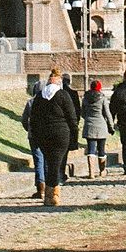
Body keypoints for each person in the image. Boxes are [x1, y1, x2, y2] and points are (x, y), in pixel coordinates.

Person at [29, 67, 78, 205]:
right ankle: (53, 195)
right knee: (56, 164)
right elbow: (71, 117)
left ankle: (49, 195)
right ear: (59, 82)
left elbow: (33, 118)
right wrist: (74, 136)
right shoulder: (63, 95)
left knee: (50, 163)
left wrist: (36, 136)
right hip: (60, 133)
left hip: (43, 134)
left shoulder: (39, 96)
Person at [20, 80, 48, 200]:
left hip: (34, 135)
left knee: (38, 160)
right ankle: (48, 186)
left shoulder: (31, 102)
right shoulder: (48, 102)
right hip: (46, 134)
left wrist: (29, 129)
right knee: (46, 160)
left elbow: (24, 119)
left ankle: (40, 187)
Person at [81, 79, 114, 178]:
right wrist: (111, 126)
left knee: (90, 149)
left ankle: (91, 172)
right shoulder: (102, 98)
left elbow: (82, 112)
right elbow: (107, 113)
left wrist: (87, 118)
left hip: (89, 125)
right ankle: (102, 171)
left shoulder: (85, 98)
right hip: (101, 125)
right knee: (101, 150)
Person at [61, 74, 82, 157]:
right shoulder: (73, 93)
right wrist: (77, 119)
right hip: (71, 119)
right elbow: (77, 109)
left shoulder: (59, 93)